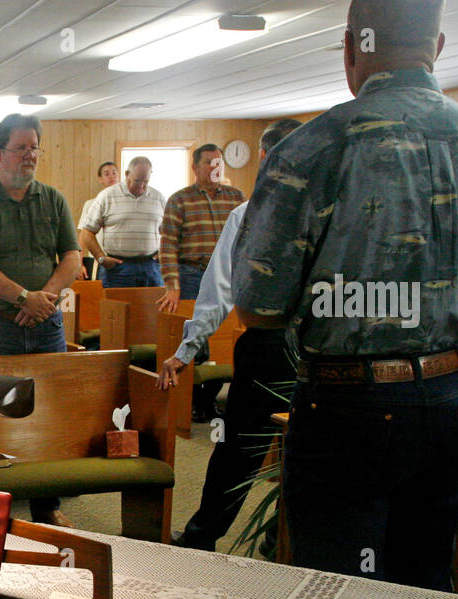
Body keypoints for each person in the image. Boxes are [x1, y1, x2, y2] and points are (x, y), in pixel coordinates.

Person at [232, 0, 458, 590]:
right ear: (439, 47)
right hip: (452, 400)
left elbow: (258, 307)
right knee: (424, 590)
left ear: (351, 48)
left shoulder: (310, 150)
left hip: (348, 411)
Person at [157, 119, 304, 553]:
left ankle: (217, 536)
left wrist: (186, 350)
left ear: (262, 158)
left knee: (240, 449)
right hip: (309, 349)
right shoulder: (331, 210)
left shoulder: (249, 212)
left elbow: (218, 288)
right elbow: (219, 287)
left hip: (283, 347)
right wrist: (188, 349)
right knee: (289, 448)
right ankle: (269, 533)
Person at [0, 113, 81, 527]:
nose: (30, 155)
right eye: (21, 147)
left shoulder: (54, 199)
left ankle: (47, 505)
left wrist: (44, 299)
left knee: (48, 414)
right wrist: (23, 296)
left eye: (35, 147)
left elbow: (72, 257)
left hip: (47, 326)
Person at [159, 144, 246, 420]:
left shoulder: (236, 198)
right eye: (208, 162)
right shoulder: (180, 200)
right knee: (201, 338)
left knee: (222, 340)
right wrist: (172, 285)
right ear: (195, 167)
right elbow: (168, 245)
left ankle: (210, 398)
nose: (215, 167)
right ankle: (199, 401)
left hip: (230, 275)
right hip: (192, 274)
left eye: (219, 162)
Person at [78, 156, 166, 288]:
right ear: (127, 174)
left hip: (150, 267)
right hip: (117, 267)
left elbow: (170, 231)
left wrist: (163, 253)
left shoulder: (158, 198)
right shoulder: (106, 196)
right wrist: (100, 257)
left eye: (145, 181)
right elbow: (86, 232)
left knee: (152, 308)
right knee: (114, 307)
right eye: (137, 181)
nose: (141, 186)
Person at [77, 161, 121, 278]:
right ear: (100, 179)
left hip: (122, 261)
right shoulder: (91, 204)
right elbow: (83, 235)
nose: (111, 176)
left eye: (114, 173)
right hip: (99, 259)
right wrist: (79, 264)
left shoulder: (125, 204)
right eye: (106, 174)